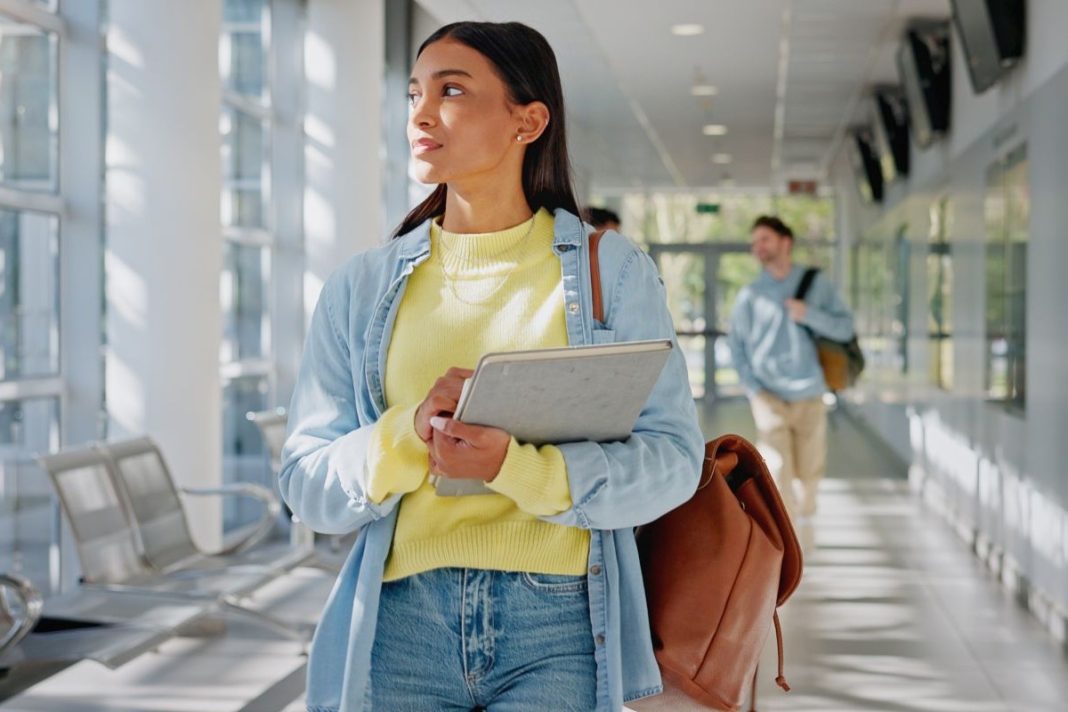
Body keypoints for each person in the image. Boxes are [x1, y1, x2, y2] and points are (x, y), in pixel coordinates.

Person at [280, 21, 703, 712]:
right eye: (415, 91)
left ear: (528, 120)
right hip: (400, 621)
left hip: (558, 622)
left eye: (451, 90)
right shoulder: (360, 287)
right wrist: (408, 434)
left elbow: (672, 461)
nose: (420, 112)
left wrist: (514, 468)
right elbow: (306, 485)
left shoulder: (611, 273)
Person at [727, 215, 854, 518]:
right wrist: (754, 390)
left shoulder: (817, 284)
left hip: (810, 393)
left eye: (764, 239)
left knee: (809, 475)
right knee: (776, 471)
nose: (757, 247)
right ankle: (789, 545)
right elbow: (736, 347)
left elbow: (845, 329)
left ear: (786, 242)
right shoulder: (750, 295)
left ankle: (805, 529)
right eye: (754, 241)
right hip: (768, 395)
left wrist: (809, 314)